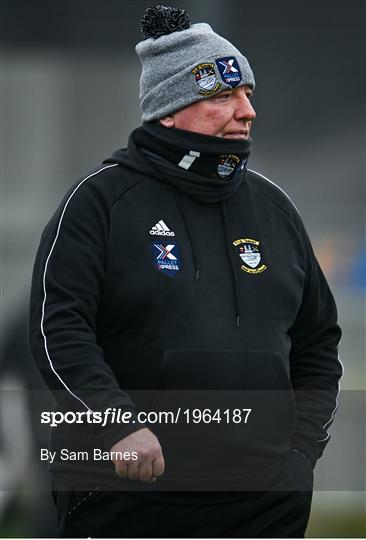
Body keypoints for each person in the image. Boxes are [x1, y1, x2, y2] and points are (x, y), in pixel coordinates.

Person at [29, 5, 343, 538]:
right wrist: (118, 428)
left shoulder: (275, 209)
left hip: (264, 503)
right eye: (223, 96)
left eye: (247, 94)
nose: (247, 112)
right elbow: (57, 332)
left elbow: (317, 343)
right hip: (129, 496)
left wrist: (300, 454)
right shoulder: (99, 202)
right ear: (170, 109)